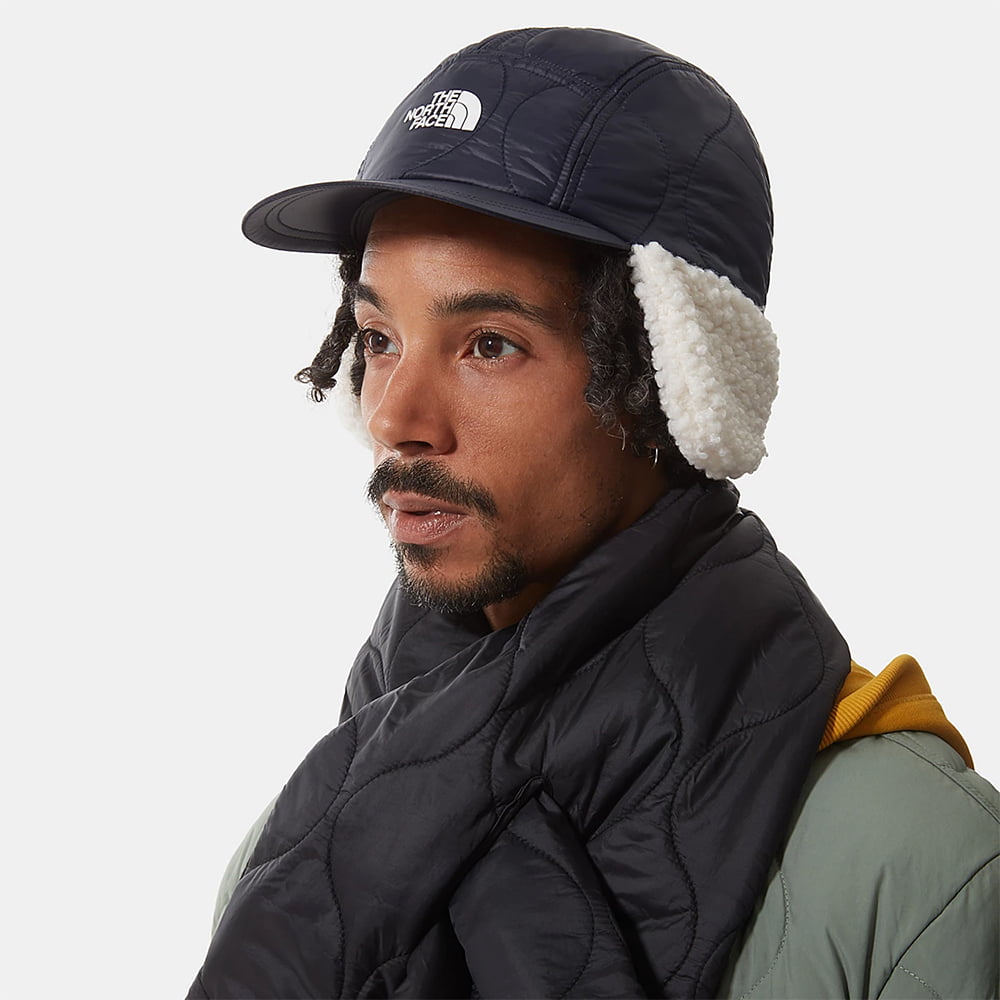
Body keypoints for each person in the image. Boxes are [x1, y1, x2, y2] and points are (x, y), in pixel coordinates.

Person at [189, 27, 998, 999]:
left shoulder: (917, 867)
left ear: (668, 381)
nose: (395, 418)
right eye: (378, 337)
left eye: (489, 344)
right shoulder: (302, 851)